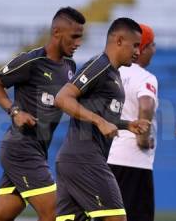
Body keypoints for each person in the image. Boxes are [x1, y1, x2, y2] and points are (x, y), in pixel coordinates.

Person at [0, 7, 85, 221]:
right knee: (55, 212)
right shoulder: (32, 61)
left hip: (37, 151)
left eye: (81, 37)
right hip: (21, 149)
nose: (78, 43)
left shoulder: (70, 66)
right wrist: (14, 111)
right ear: (57, 32)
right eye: (74, 37)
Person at [54, 17, 150, 221]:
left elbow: (103, 115)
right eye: (134, 45)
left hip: (74, 160)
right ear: (119, 40)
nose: (137, 52)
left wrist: (126, 125)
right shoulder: (100, 65)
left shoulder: (114, 74)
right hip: (85, 159)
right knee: (116, 218)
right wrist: (99, 121)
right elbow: (62, 98)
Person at [107, 23, 158, 221]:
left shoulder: (111, 72)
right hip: (133, 161)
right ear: (142, 48)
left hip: (107, 157)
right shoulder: (145, 77)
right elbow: (146, 105)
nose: (154, 49)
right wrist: (143, 139)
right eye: (152, 45)